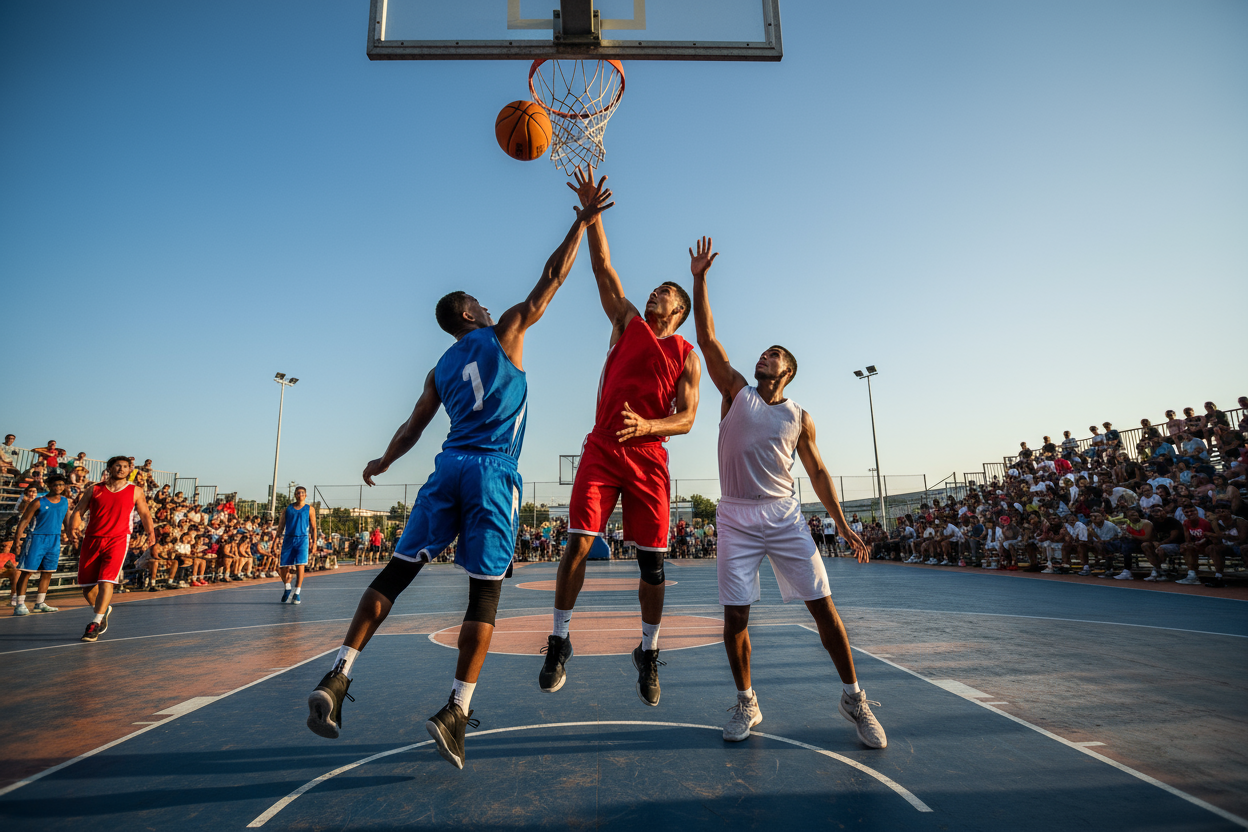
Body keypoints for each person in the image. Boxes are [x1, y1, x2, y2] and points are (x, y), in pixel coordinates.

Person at [304, 181, 612, 771]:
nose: (490, 307)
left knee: (396, 572)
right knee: (485, 594)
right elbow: (553, 276)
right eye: (480, 303)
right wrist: (583, 221)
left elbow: (411, 428)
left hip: (446, 467)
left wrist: (382, 463)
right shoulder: (506, 332)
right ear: (470, 314)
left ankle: (338, 675)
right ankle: (456, 710)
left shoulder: (440, 366)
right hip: (493, 471)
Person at [690, 236, 885, 749]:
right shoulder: (736, 392)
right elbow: (707, 338)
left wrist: (843, 526)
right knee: (736, 615)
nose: (765, 354)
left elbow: (818, 473)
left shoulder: (800, 417)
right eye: (764, 351)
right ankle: (747, 702)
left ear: (788, 371)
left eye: (774, 354)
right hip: (735, 516)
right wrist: (700, 279)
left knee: (824, 607)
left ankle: (855, 699)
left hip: (784, 515)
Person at [541, 169, 703, 707]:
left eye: (665, 293)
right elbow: (603, 268)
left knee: (652, 564)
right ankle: (559, 640)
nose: (655, 293)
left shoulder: (686, 356)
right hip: (604, 447)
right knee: (578, 543)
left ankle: (648, 651)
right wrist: (592, 218)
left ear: (677, 312)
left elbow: (687, 419)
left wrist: (649, 426)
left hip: (649, 457)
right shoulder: (627, 321)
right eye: (655, 288)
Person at [67, 457, 156, 642]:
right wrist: (73, 527)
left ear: (129, 470)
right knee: (87, 587)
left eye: (125, 466)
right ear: (109, 468)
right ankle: (103, 609)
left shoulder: (135, 490)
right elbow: (79, 510)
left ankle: (96, 622)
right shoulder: (94, 489)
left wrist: (150, 533)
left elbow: (145, 513)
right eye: (117, 466)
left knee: (106, 580)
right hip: (92, 539)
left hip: (118, 539)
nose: (121, 469)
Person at [11, 473, 71, 615]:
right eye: (55, 484)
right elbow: (24, 521)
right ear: (49, 485)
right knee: (27, 571)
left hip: (54, 540)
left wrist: (70, 534)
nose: (59, 487)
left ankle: (40, 603)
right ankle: (19, 604)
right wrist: (17, 541)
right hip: (36, 539)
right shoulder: (38, 502)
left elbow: (66, 520)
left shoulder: (64, 501)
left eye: (61, 484)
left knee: (48, 572)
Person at [274, 487, 317, 603]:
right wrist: (275, 541)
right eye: (298, 493)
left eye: (302, 493)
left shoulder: (310, 509)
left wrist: (314, 543)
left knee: (300, 565)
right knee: (283, 566)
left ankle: (297, 592)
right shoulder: (288, 509)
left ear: (305, 495)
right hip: (288, 538)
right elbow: (281, 526)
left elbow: (313, 527)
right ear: (295, 495)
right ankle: (287, 587)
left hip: (302, 539)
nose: (300, 494)